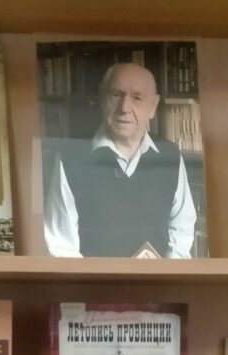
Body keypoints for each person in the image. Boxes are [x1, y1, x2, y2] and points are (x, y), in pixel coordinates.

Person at [44, 61, 196, 259]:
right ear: (102, 100)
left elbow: (182, 230)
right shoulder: (71, 156)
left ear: (153, 106)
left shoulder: (170, 156)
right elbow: (62, 248)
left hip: (157, 278)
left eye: (137, 98)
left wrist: (166, 275)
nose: (124, 108)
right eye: (116, 95)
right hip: (93, 278)